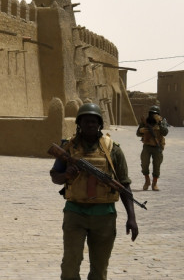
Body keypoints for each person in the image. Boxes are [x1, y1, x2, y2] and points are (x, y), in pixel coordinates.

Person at [50, 102, 138, 280]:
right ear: (79, 124)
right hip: (75, 212)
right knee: (69, 266)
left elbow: (124, 185)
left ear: (100, 124)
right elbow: (54, 177)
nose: (90, 125)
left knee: (99, 269)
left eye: (94, 121)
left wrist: (132, 218)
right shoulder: (68, 147)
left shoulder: (113, 149)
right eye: (86, 121)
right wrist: (66, 175)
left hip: (104, 215)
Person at [136, 105, 169, 191]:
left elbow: (165, 132)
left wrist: (160, 123)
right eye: (152, 113)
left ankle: (154, 183)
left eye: (155, 114)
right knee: (144, 164)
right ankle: (147, 180)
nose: (153, 115)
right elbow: (138, 133)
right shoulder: (145, 122)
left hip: (157, 147)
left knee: (157, 165)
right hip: (147, 146)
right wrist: (141, 130)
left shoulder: (162, 121)